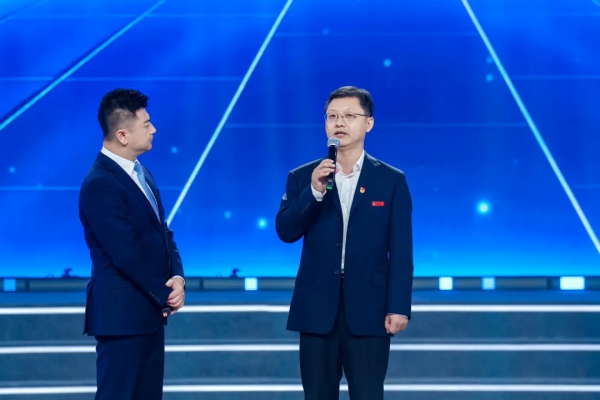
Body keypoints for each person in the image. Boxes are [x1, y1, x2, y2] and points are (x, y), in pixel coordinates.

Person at [275, 86, 414, 399]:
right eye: (332, 116)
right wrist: (314, 192)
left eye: (350, 115)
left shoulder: (391, 180)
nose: (339, 122)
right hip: (316, 308)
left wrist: (399, 306)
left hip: (369, 309)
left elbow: (402, 250)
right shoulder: (303, 177)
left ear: (369, 123)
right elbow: (286, 231)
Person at [78, 88, 185, 400]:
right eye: (147, 124)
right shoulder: (100, 183)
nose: (154, 130)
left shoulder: (142, 173)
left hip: (148, 314)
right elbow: (126, 254)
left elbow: (162, 232)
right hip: (121, 317)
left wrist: (177, 277)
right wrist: (165, 294)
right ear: (122, 135)